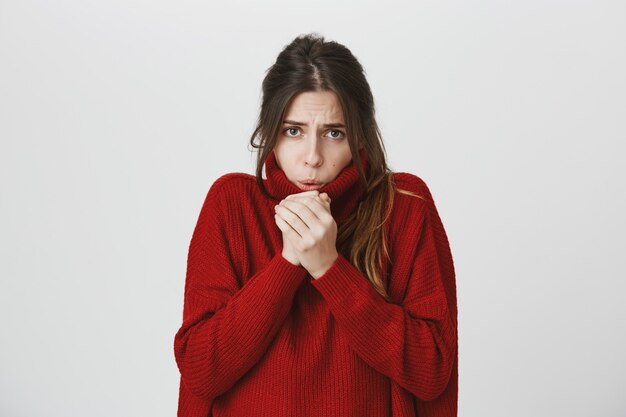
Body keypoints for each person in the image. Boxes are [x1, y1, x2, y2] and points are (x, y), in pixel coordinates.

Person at [173, 33, 458, 417]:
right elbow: (202, 371)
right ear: (269, 133)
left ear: (359, 136)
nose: (312, 157)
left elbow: (433, 370)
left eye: (333, 133)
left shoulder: (403, 206)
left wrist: (329, 268)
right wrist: (289, 261)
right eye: (294, 131)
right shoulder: (232, 205)